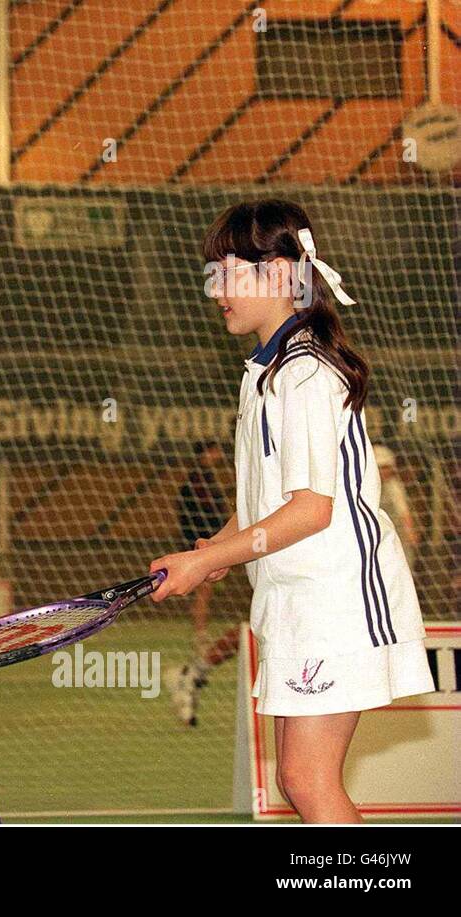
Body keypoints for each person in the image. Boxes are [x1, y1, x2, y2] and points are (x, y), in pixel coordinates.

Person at [148, 200, 434, 823]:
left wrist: (216, 557)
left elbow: (310, 512)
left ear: (279, 276)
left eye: (227, 272)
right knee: (299, 779)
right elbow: (268, 499)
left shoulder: (305, 374)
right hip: (294, 599)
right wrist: (212, 550)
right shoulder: (265, 374)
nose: (214, 289)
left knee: (306, 779)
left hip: (335, 600)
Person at [166, 441, 238, 726]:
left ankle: (194, 671)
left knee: (253, 632)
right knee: (252, 629)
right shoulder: (196, 481)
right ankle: (198, 645)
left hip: (215, 547)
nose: (218, 455)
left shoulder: (208, 479)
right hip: (206, 548)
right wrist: (212, 549)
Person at [375, 446, 418, 572]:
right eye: (380, 468)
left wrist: (409, 532)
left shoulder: (393, 486)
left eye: (385, 467)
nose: (383, 472)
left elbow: (404, 512)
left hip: (394, 534)